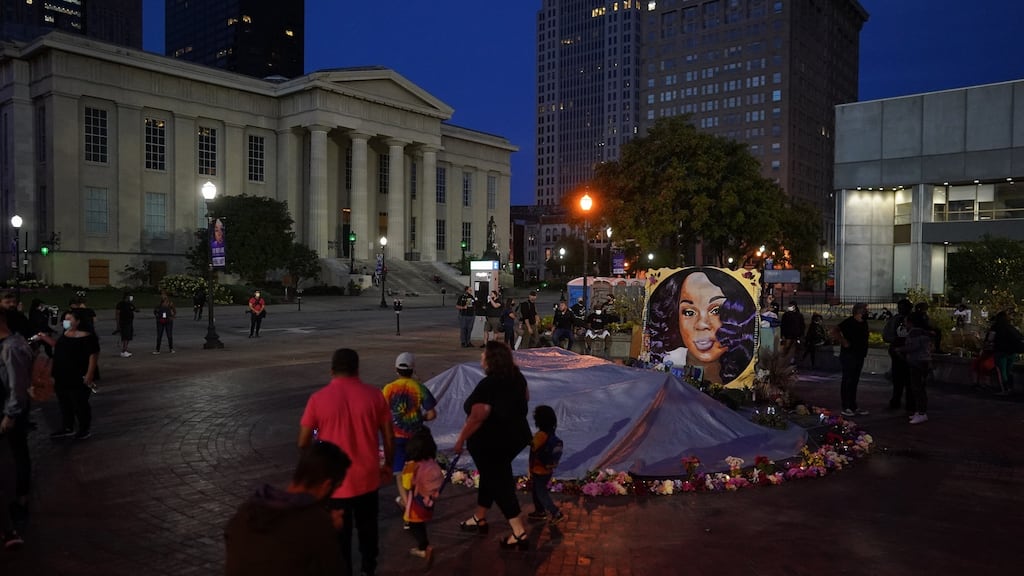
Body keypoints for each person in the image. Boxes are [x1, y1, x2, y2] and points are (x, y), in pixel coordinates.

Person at [298, 348, 394, 576]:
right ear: (357, 369)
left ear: (332, 370)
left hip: (335, 482)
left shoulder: (318, 399)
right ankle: (369, 569)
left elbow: (303, 442)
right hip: (367, 478)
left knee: (340, 537)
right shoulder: (374, 396)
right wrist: (387, 465)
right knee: (368, 530)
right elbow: (389, 436)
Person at [224, 441, 351, 576]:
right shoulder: (317, 524)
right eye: (337, 487)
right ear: (327, 485)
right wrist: (329, 530)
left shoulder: (247, 510)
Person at [453, 341, 532, 551]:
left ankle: (519, 531)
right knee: (491, 476)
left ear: (491, 360)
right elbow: (526, 397)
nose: (481, 358)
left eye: (484, 355)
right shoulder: (517, 377)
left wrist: (460, 439)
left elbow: (478, 415)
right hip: (516, 437)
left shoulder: (488, 384)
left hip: (491, 443)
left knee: (499, 482)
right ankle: (479, 517)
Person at [647, 268, 758, 385]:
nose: (701, 324)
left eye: (716, 310)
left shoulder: (748, 374)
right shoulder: (667, 361)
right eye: (689, 312)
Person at [382, 352, 437, 513]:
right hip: (416, 437)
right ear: (413, 369)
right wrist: (420, 418)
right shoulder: (419, 388)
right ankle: (417, 498)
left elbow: (381, 413)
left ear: (396, 369)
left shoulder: (388, 389)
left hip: (396, 436)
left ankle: (407, 504)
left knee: (399, 472)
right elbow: (432, 414)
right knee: (416, 470)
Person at [36, 309, 99, 439]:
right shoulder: (66, 334)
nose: (66, 321)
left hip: (78, 375)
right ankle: (67, 427)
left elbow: (93, 356)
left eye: (69, 319)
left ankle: (84, 429)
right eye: (65, 319)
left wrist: (89, 374)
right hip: (62, 374)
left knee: (79, 403)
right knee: (64, 403)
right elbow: (58, 346)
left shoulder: (87, 336)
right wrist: (43, 337)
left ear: (78, 321)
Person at [1, 309, 32, 546]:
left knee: (14, 457)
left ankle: (19, 502)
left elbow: (17, 386)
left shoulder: (11, 346)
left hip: (8, 413)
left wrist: (10, 414)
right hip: (8, 410)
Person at [400, 427, 444, 563]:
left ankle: (424, 548)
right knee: (420, 523)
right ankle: (424, 546)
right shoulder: (432, 462)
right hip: (429, 501)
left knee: (414, 525)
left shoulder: (412, 466)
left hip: (416, 503)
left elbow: (406, 485)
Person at [526, 405, 564, 525]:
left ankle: (556, 512)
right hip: (548, 469)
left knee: (541, 493)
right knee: (536, 490)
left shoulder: (540, 435)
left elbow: (533, 447)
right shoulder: (551, 434)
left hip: (539, 470)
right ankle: (540, 511)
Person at [834, 302, 870, 417]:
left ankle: (853, 405)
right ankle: (846, 406)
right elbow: (835, 330)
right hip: (849, 355)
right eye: (866, 310)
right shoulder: (849, 322)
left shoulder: (864, 322)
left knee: (854, 381)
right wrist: (843, 341)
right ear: (859, 311)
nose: (867, 312)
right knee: (848, 380)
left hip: (859, 355)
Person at [900, 312, 933, 425]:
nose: (905, 324)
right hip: (923, 361)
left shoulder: (914, 333)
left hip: (917, 361)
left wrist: (900, 349)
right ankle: (919, 411)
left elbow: (913, 346)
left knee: (917, 388)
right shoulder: (924, 332)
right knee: (919, 387)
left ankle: (922, 412)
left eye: (906, 322)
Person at [882, 299, 914, 413]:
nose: (901, 310)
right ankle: (896, 401)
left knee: (910, 380)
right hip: (897, 352)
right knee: (897, 379)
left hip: (910, 353)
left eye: (903, 307)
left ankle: (910, 404)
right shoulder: (895, 320)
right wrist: (896, 341)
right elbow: (886, 335)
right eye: (900, 308)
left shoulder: (914, 319)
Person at [989, 310, 1024, 394]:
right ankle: (1010, 388)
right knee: (1009, 370)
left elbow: (990, 338)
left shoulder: (995, 327)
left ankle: (1004, 389)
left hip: (1000, 351)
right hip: (1012, 352)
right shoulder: (1011, 327)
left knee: (1002, 371)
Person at [114, 292, 136, 358]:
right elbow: (117, 314)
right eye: (130, 297)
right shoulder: (120, 304)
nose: (131, 298)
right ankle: (123, 351)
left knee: (128, 336)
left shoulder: (129, 304)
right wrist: (118, 324)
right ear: (127, 297)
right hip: (124, 322)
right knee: (125, 336)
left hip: (129, 322)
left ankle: (125, 349)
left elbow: (134, 308)